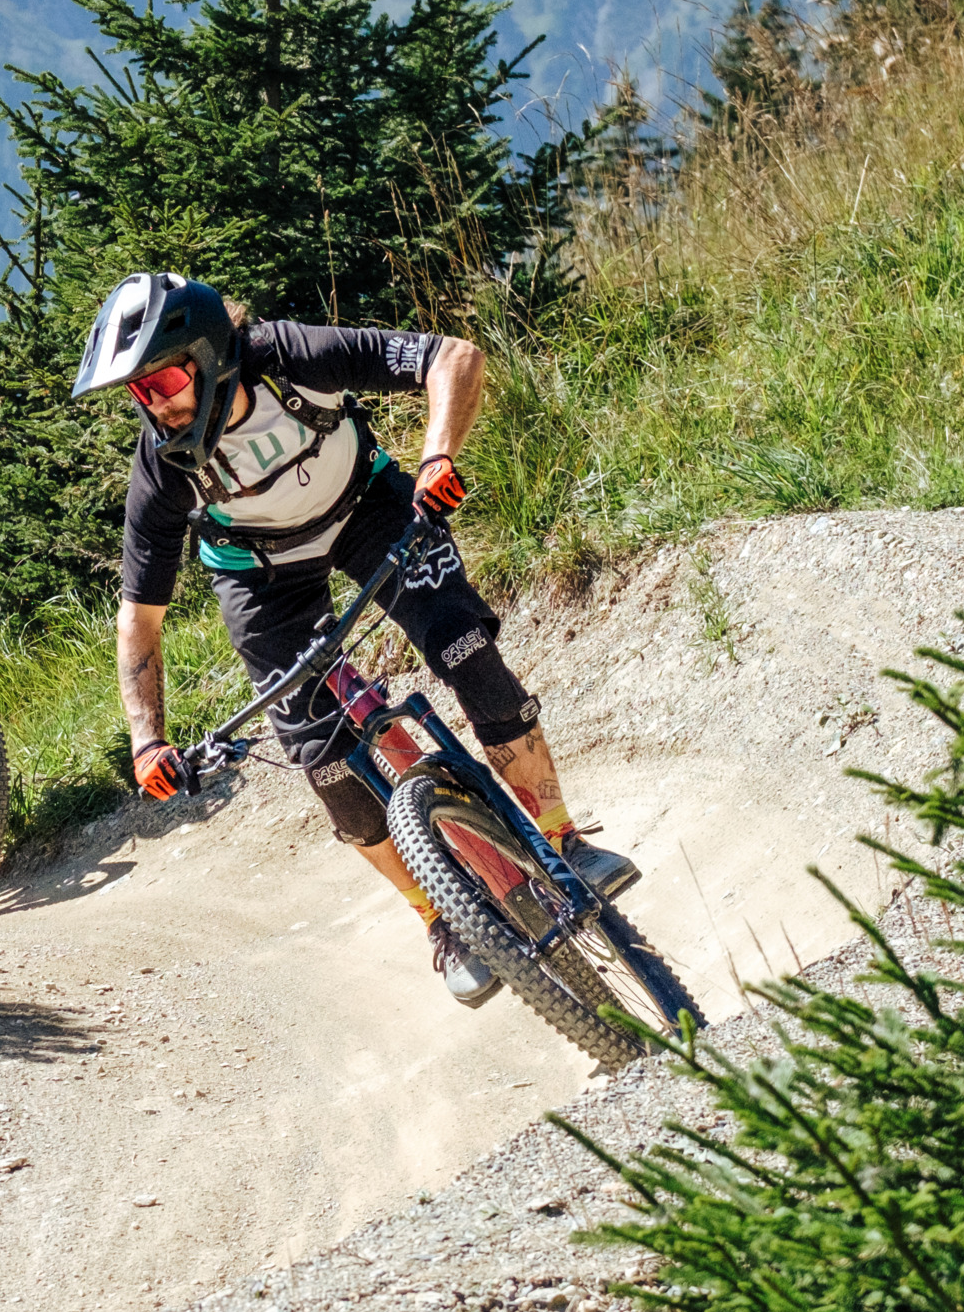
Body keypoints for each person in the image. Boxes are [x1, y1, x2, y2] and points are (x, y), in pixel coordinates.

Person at [69, 272, 635, 1005]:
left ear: (210, 354)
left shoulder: (292, 356)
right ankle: (440, 917)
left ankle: (564, 843)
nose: (156, 405)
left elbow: (452, 356)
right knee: (328, 766)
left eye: (165, 380)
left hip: (366, 509)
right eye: (138, 394)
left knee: (466, 650)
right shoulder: (162, 467)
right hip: (260, 575)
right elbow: (139, 618)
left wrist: (438, 457)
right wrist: (148, 741)